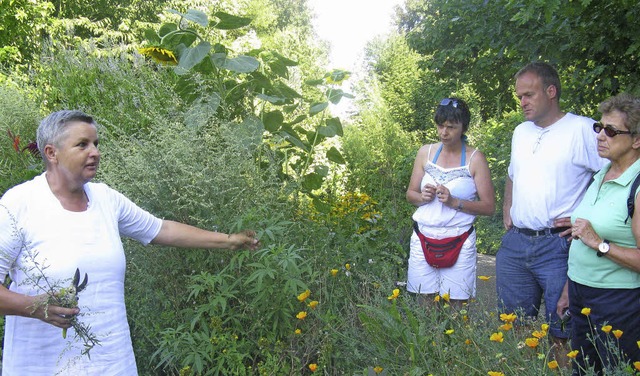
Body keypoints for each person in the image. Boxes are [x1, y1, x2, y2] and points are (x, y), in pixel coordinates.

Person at [0, 110, 260, 374]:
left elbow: (162, 230)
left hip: (113, 364)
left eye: (96, 144)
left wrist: (228, 241)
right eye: (82, 144)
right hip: (40, 367)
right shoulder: (18, 205)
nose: (95, 152)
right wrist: (35, 307)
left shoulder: (106, 200)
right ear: (51, 153)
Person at [496, 62, 606, 354]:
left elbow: (615, 175)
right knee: (513, 326)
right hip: (516, 244)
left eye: (529, 95)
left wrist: (587, 219)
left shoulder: (582, 129)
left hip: (559, 245)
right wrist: (508, 207)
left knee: (563, 331)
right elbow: (512, 173)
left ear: (551, 91)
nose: (522, 102)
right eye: (520, 96)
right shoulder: (521, 131)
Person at [559, 93, 640, 374]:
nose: (600, 136)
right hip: (582, 293)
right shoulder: (602, 173)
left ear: (637, 140)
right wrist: (570, 289)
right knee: (583, 370)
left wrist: (599, 243)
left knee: (618, 369)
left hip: (618, 301)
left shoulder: (637, 185)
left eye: (611, 131)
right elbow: (584, 236)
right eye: (599, 127)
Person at [406, 97, 495, 305]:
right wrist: (422, 197)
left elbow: (489, 207)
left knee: (456, 307)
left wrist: (455, 202)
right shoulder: (425, 153)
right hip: (423, 236)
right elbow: (410, 194)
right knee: (423, 304)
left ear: (463, 127)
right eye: (440, 126)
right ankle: (428, 339)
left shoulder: (475, 158)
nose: (444, 132)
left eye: (451, 127)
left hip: (459, 238)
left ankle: (455, 339)